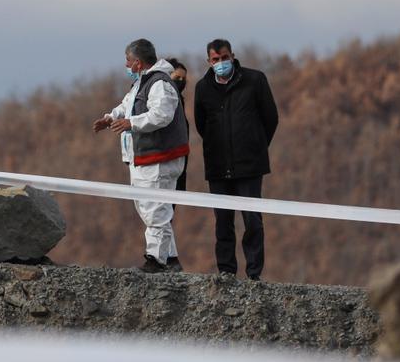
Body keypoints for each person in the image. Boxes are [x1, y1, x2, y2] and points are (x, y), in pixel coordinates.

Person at [94, 39, 189, 273]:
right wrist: (110, 118)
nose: (126, 65)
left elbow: (161, 115)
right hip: (144, 158)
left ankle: (156, 260)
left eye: (128, 60)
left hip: (158, 158)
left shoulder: (160, 84)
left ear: (137, 62)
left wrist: (131, 123)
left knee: (155, 209)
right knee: (153, 209)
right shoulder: (142, 83)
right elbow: (126, 105)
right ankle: (170, 257)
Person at [192, 39, 279, 281]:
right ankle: (227, 271)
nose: (221, 63)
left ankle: (253, 274)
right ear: (208, 62)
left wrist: (255, 146)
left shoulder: (255, 80)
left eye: (224, 57)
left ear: (233, 56)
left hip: (249, 165)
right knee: (223, 222)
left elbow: (270, 118)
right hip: (218, 166)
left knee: (252, 221)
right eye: (215, 60)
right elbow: (202, 125)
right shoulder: (203, 88)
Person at [164, 58, 191, 193]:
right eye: (176, 77)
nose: (180, 81)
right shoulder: (163, 100)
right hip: (165, 165)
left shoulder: (180, 101)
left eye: (183, 79)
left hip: (178, 165)